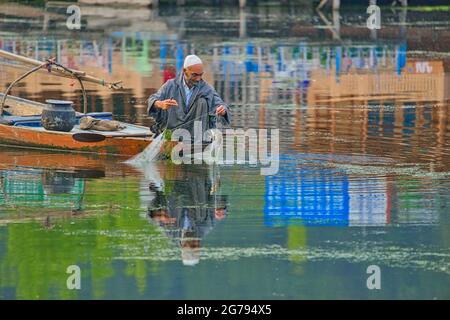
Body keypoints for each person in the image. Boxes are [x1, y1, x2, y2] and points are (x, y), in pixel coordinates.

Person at [147, 55, 231, 137]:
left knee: (202, 101)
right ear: (184, 71)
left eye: (200, 75)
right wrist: (160, 104)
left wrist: (222, 110)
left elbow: (221, 105)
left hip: (197, 136)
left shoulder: (207, 89)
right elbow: (152, 99)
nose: (198, 79)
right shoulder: (170, 85)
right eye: (194, 75)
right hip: (170, 133)